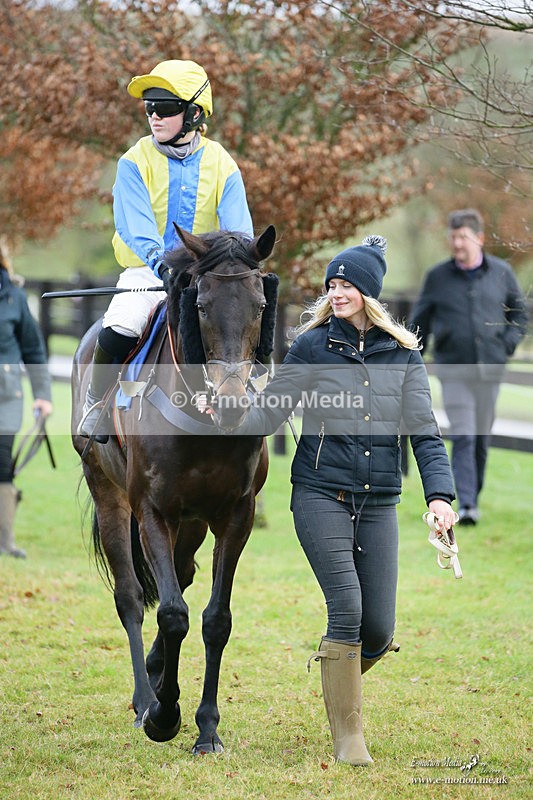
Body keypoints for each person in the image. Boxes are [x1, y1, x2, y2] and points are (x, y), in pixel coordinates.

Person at [213, 236, 456, 765]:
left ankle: (335, 672)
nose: (338, 292)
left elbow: (425, 432)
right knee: (347, 610)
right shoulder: (311, 346)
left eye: (348, 284)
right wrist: (229, 415)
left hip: (381, 501)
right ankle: (350, 740)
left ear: (369, 291)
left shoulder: (404, 354)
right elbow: (270, 414)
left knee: (379, 627)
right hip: (320, 493)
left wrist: (440, 497)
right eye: (333, 284)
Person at [78, 59, 253, 442]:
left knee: (238, 324)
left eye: (166, 108)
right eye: (149, 108)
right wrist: (161, 264)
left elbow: (239, 230)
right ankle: (95, 403)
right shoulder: (133, 162)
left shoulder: (222, 163)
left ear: (193, 113)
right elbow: (135, 225)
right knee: (122, 325)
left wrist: (236, 262)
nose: (154, 116)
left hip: (207, 277)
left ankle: (251, 395)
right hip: (147, 271)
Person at [409, 209, 528, 525]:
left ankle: (472, 495)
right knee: (463, 433)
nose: (457, 243)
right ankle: (468, 506)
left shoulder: (501, 272)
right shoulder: (438, 277)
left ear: (479, 238)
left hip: (490, 369)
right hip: (454, 369)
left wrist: (504, 345)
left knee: (480, 438)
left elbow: (520, 316)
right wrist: (409, 355)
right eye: (453, 237)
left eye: (463, 237)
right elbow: (419, 322)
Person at [0, 239, 53, 558]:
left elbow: (33, 349)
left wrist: (43, 395)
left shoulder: (14, 298)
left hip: (6, 396)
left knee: (3, 464)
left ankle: (4, 540)